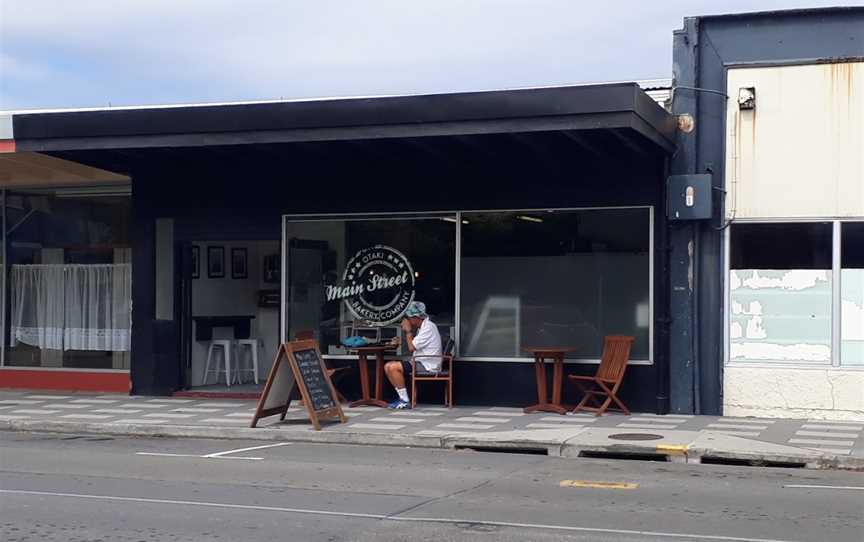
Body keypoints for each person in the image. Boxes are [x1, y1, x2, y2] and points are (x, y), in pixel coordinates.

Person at [384, 301, 442, 409]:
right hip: (420, 361)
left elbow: (411, 348)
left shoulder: (428, 327)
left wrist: (408, 331)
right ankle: (402, 398)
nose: (408, 320)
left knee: (393, 367)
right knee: (387, 366)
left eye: (409, 318)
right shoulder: (423, 327)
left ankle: (405, 401)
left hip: (427, 364)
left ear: (416, 317)